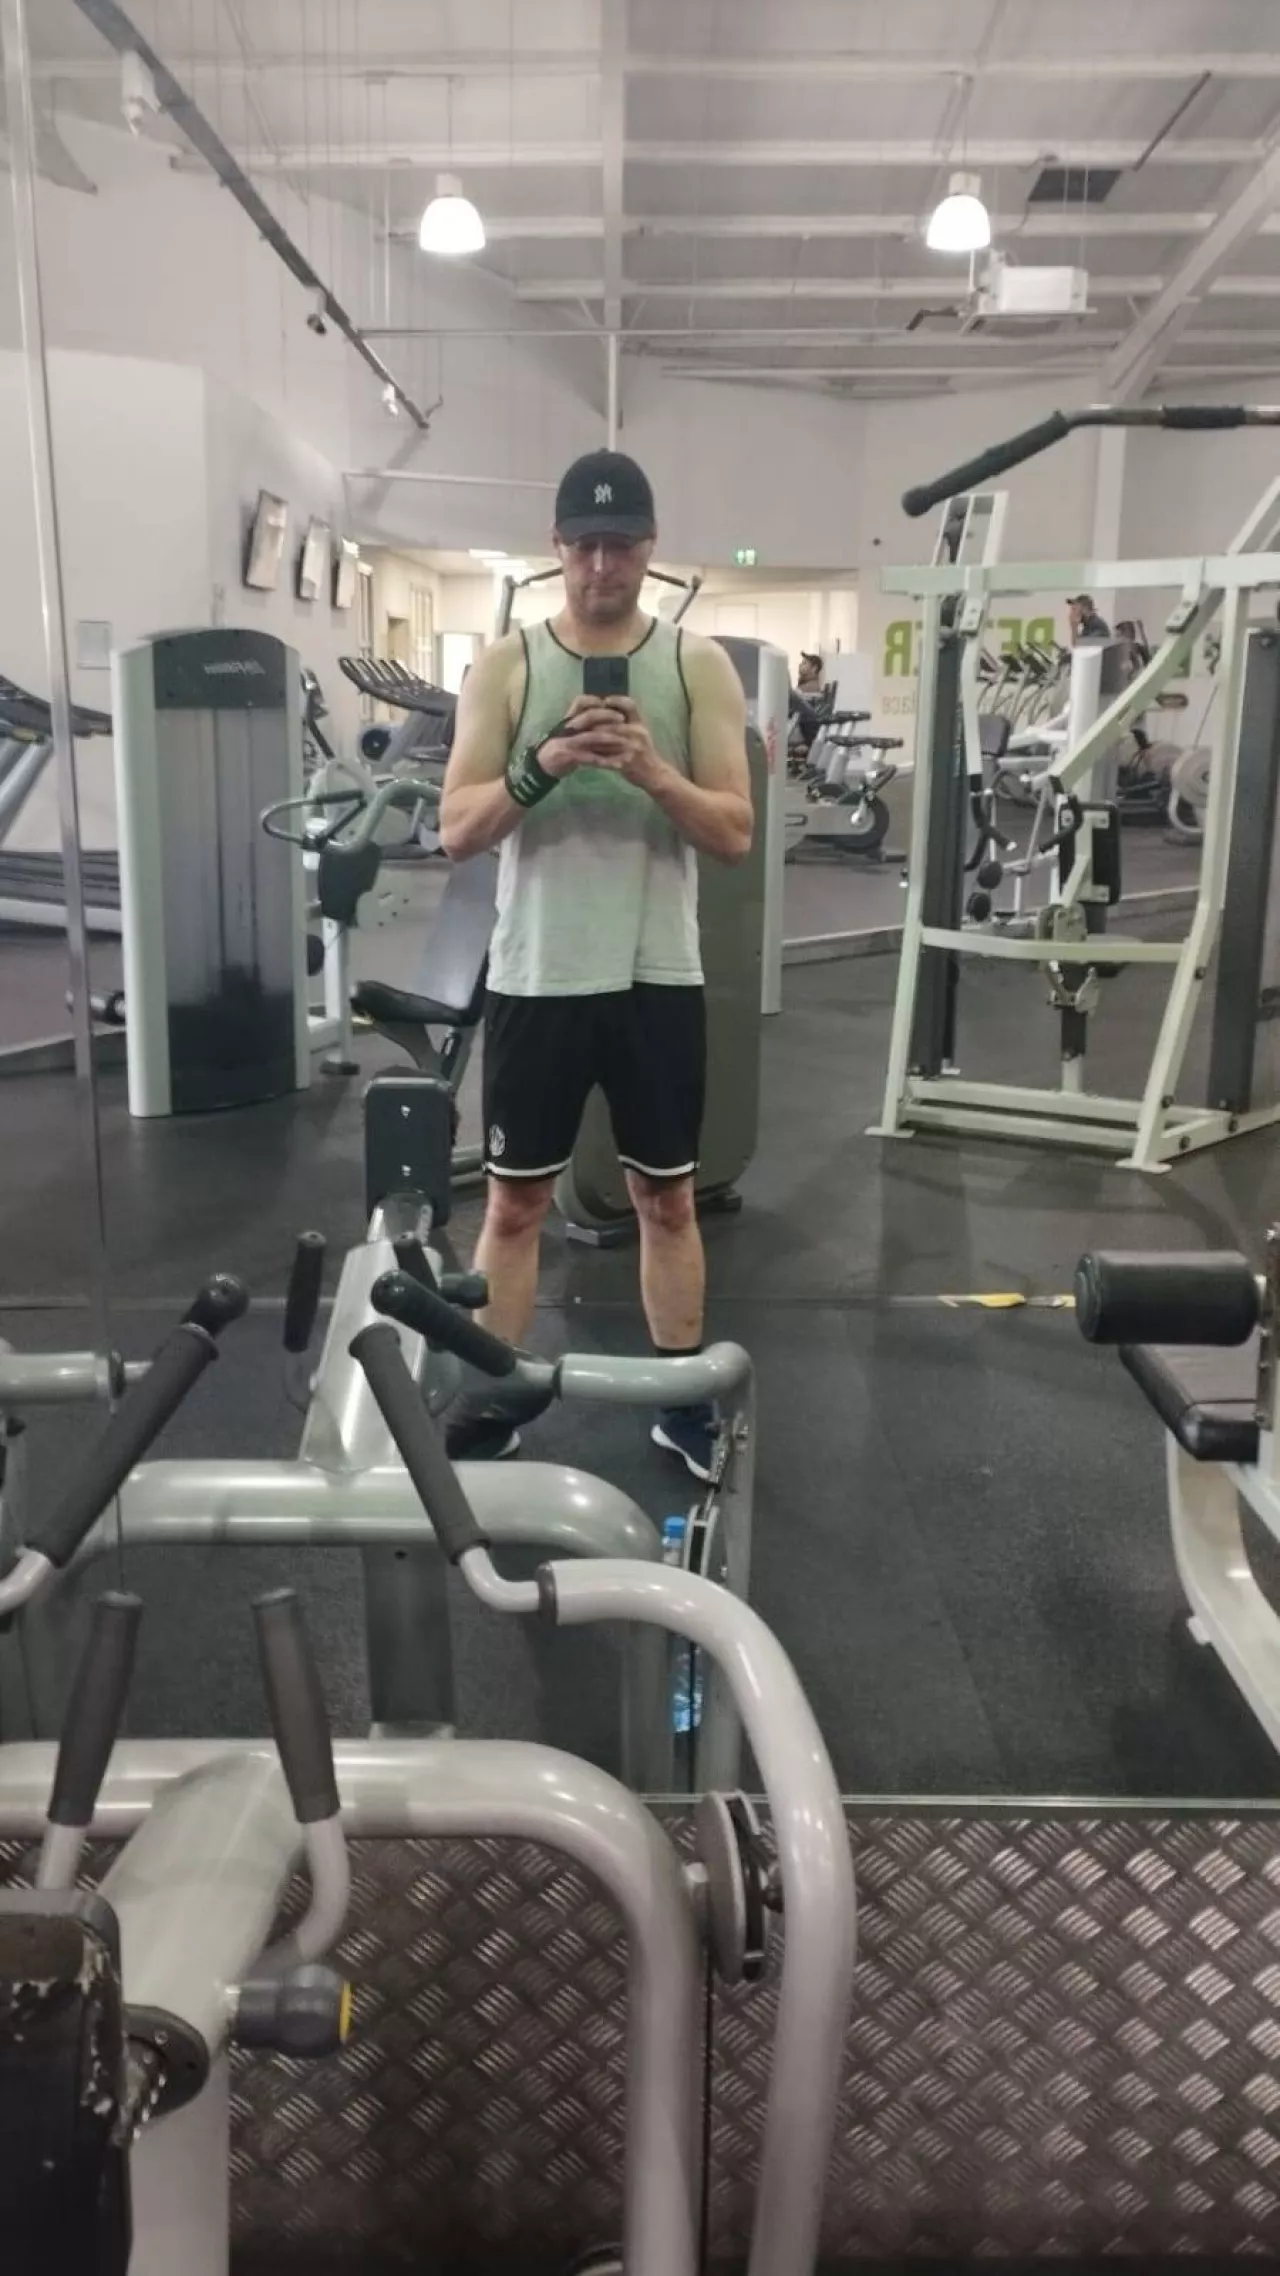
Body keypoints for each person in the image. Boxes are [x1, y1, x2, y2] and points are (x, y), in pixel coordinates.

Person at [439, 448, 753, 1475]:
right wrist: (543, 765)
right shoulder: (508, 665)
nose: (602, 566)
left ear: (650, 548)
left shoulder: (696, 665)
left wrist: (651, 770)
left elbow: (734, 832)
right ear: (557, 547)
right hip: (538, 974)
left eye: (620, 545)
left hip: (655, 975)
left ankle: (681, 1402)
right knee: (513, 1204)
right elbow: (456, 830)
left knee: (666, 1198)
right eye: (585, 546)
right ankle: (496, 1394)